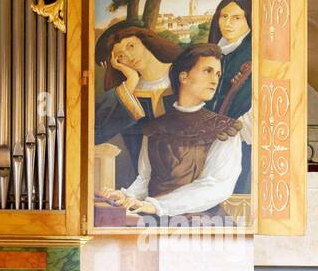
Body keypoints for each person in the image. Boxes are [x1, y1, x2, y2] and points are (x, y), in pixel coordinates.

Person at [100, 42, 243, 223]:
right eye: (207, 71)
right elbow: (145, 178)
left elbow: (216, 185)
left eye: (217, 74)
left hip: (203, 225)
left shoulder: (225, 129)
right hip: (154, 219)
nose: (214, 80)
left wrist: (159, 206)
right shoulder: (155, 128)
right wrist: (127, 196)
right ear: (184, 76)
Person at [94, 23, 181, 179]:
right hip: (144, 184)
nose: (128, 56)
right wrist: (132, 79)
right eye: (120, 55)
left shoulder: (183, 74)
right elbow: (96, 134)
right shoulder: (127, 92)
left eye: (131, 46)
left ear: (145, 41)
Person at [207, 0, 252, 194]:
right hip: (211, 131)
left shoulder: (253, 52)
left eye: (236, 17)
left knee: (235, 189)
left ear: (250, 19)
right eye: (223, 16)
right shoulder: (216, 50)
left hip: (240, 132)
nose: (227, 23)